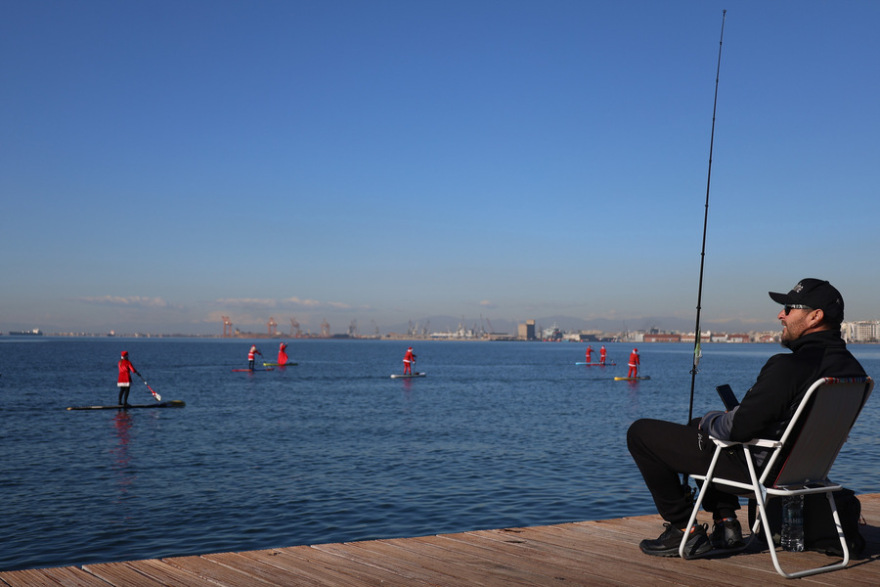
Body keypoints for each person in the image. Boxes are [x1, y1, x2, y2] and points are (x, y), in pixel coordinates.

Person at [627, 278, 866, 558]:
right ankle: (725, 524)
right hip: (804, 472)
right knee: (697, 429)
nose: (781, 315)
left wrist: (711, 419)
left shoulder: (788, 367)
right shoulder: (855, 372)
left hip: (760, 471)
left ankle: (684, 530)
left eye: (789, 309)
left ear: (815, 316)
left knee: (641, 433)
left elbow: (738, 430)